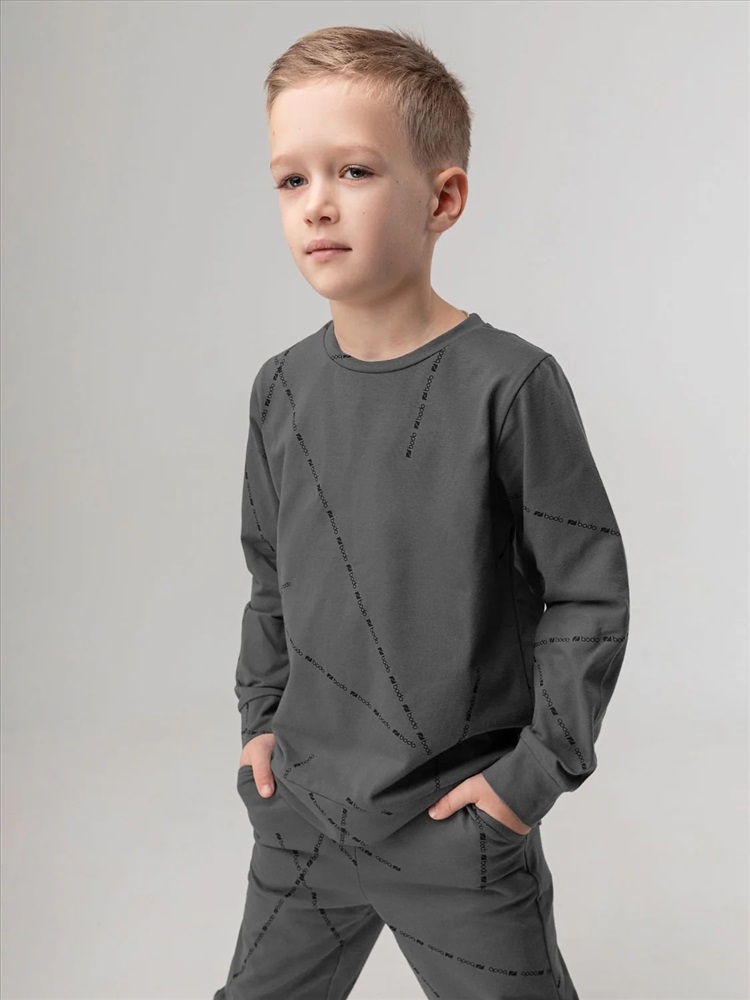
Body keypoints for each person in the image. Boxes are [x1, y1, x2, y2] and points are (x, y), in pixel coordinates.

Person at [213, 24, 629, 1000]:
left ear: (442, 199)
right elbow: (271, 580)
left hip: (454, 830)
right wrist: (260, 728)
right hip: (302, 821)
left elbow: (586, 595)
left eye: (354, 171)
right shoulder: (281, 389)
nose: (317, 203)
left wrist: (529, 781)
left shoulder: (510, 386)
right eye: (291, 179)